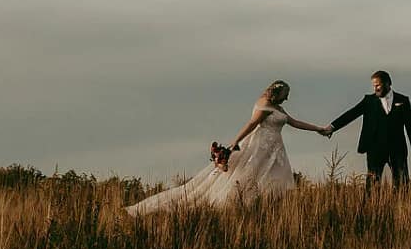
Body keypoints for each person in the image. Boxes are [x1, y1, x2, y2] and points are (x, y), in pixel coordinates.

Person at [125, 80, 331, 215]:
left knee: (267, 179)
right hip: (261, 148)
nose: (288, 97)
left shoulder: (277, 107)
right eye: (286, 93)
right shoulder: (266, 109)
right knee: (247, 177)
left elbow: (294, 122)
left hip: (273, 149)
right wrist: (235, 142)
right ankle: (236, 207)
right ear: (277, 94)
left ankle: (263, 208)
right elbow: (251, 124)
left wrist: (319, 129)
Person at [324, 69, 411, 188]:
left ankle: (402, 205)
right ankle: (372, 205)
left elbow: (410, 125)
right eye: (374, 86)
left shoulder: (403, 101)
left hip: (398, 149)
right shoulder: (368, 101)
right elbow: (351, 114)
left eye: (378, 85)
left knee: (402, 183)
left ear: (388, 83)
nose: (375, 89)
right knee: (372, 184)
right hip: (375, 149)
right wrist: (332, 127)